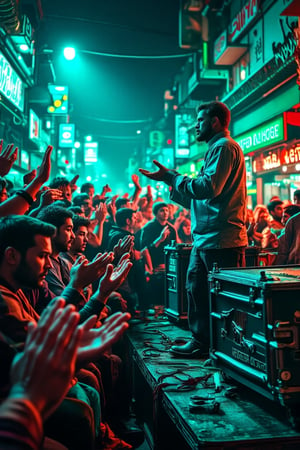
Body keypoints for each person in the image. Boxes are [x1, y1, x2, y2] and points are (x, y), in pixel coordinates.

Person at [139, 101, 248, 357]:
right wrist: (173, 180)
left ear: (215, 122)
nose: (194, 125)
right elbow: (201, 197)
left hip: (222, 240)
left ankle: (228, 349)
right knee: (196, 289)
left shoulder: (223, 147)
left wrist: (173, 177)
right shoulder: (215, 149)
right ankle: (202, 342)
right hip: (206, 239)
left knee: (223, 300)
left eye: (200, 120)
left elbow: (208, 188)